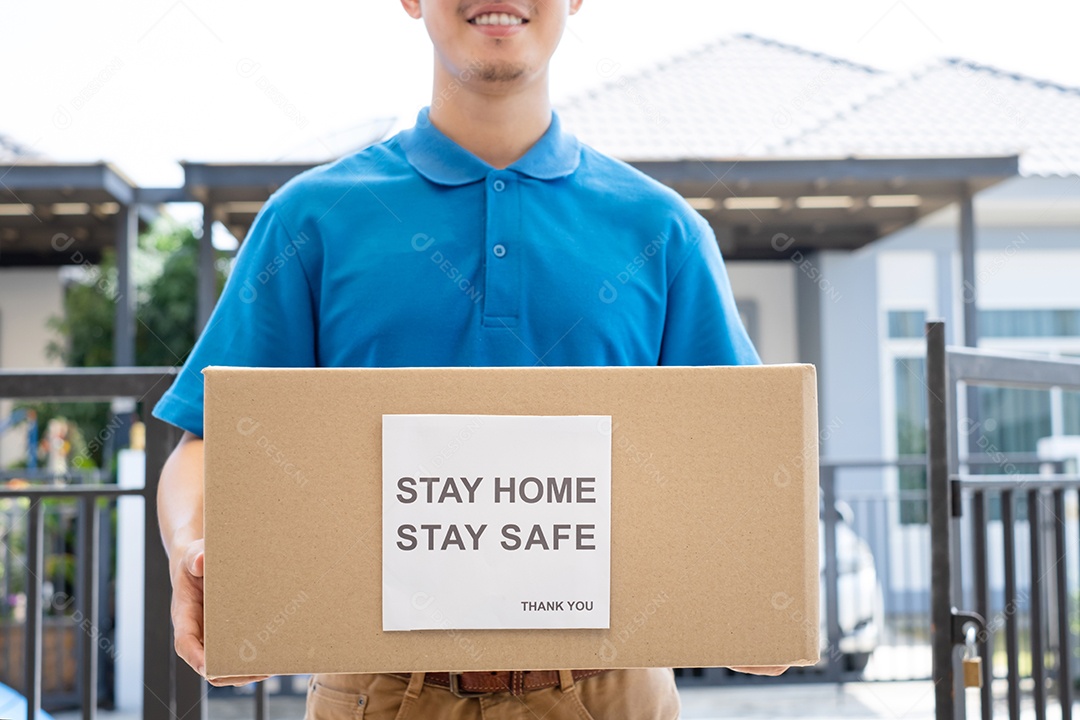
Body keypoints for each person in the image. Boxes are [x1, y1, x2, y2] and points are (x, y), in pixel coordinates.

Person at [153, 1, 787, 717]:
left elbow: (740, 457)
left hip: (613, 690)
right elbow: (211, 442)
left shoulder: (663, 229)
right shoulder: (309, 218)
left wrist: (765, 577)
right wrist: (194, 548)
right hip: (379, 691)